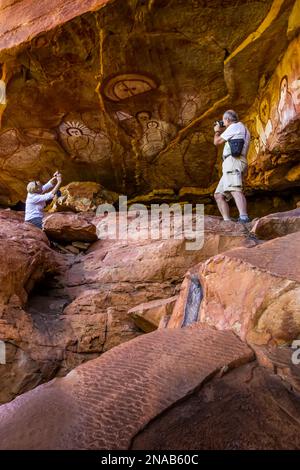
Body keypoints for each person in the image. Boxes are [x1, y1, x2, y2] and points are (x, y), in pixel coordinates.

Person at [213, 110, 251, 223]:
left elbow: (217, 141)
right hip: (233, 162)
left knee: (235, 189)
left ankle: (244, 217)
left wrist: (217, 131)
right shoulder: (242, 128)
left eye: (223, 121)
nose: (222, 123)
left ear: (228, 120)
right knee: (219, 195)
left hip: (234, 161)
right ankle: (227, 221)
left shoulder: (234, 127)